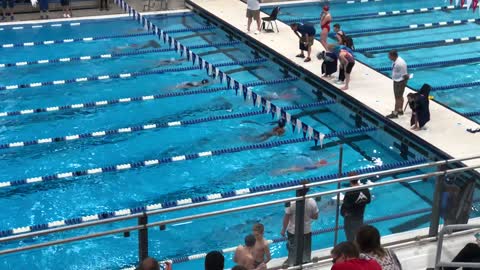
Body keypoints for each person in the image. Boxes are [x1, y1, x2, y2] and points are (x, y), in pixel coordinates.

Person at [280, 181, 319, 266]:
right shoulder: (312, 202)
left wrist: (283, 230)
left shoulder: (291, 202)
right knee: (306, 250)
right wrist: (308, 214)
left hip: (293, 232)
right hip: (306, 231)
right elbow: (316, 217)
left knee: (292, 249)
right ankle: (305, 263)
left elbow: (286, 217)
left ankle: (292, 264)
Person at [341, 175, 371, 242]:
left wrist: (343, 213)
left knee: (350, 238)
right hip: (360, 216)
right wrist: (359, 201)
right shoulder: (365, 189)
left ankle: (353, 250)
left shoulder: (350, 192)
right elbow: (368, 201)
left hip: (350, 219)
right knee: (359, 235)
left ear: (350, 180)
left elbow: (345, 206)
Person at [386, 50, 409, 119]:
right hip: (398, 81)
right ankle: (400, 110)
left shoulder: (400, 63)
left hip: (400, 82)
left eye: (389, 56)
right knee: (400, 96)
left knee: (397, 98)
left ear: (393, 56)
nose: (388, 57)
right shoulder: (396, 61)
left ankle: (395, 113)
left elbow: (405, 75)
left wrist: (403, 82)